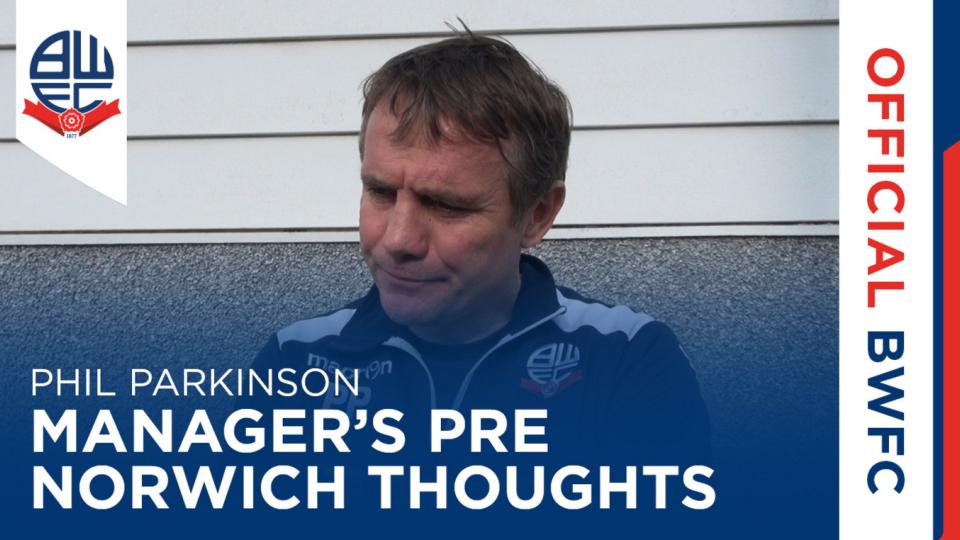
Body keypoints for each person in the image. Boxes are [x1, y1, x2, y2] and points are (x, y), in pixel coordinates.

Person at [251, 33, 709, 464]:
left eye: (445, 205)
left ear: (537, 214)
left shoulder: (625, 358)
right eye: (381, 192)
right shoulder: (294, 363)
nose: (397, 240)